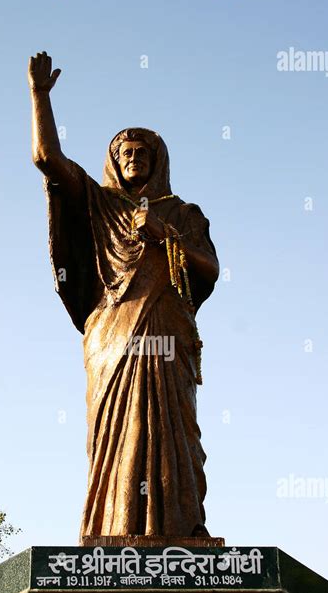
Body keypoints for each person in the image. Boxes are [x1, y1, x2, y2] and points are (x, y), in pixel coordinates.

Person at [28, 51, 220, 540]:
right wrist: (40, 97)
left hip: (168, 336)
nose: (134, 159)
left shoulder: (183, 213)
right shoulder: (100, 203)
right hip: (112, 337)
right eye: (125, 153)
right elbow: (47, 159)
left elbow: (211, 268)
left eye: (142, 153)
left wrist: (164, 237)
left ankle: (178, 528)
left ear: (157, 162)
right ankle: (112, 528)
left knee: (174, 430)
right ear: (114, 160)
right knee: (115, 435)